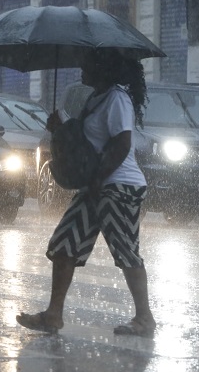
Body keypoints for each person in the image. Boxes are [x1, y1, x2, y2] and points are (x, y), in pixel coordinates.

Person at [16, 50, 155, 337]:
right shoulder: (96, 98)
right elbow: (86, 143)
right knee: (65, 244)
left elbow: (122, 143)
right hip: (95, 185)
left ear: (103, 68)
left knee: (126, 250)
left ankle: (144, 319)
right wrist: (61, 128)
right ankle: (53, 315)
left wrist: (99, 180)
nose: (81, 67)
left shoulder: (117, 98)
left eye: (88, 63)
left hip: (118, 187)